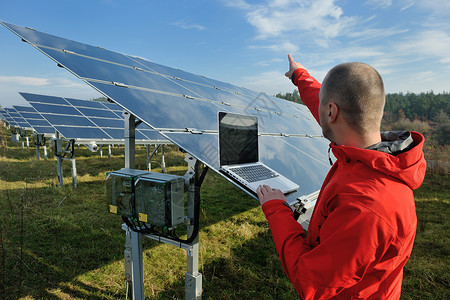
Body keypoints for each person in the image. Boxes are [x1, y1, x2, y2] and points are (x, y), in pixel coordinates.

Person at [256, 54, 426, 299]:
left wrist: (275, 209)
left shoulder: (366, 207)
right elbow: (322, 104)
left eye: (325, 109)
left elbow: (310, 281)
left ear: (332, 112)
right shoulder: (376, 158)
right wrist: (299, 75)